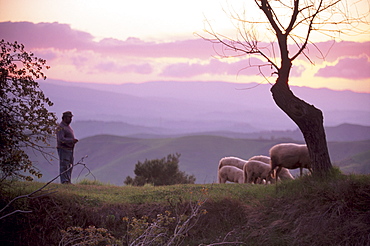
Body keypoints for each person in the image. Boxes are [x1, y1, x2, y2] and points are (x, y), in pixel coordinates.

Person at [56, 111, 78, 184]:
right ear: (64, 118)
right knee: (64, 165)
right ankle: (64, 181)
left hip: (69, 150)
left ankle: (68, 181)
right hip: (63, 149)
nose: (71, 119)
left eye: (71, 117)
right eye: (69, 117)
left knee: (69, 165)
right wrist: (71, 140)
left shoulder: (67, 127)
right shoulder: (61, 127)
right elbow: (61, 139)